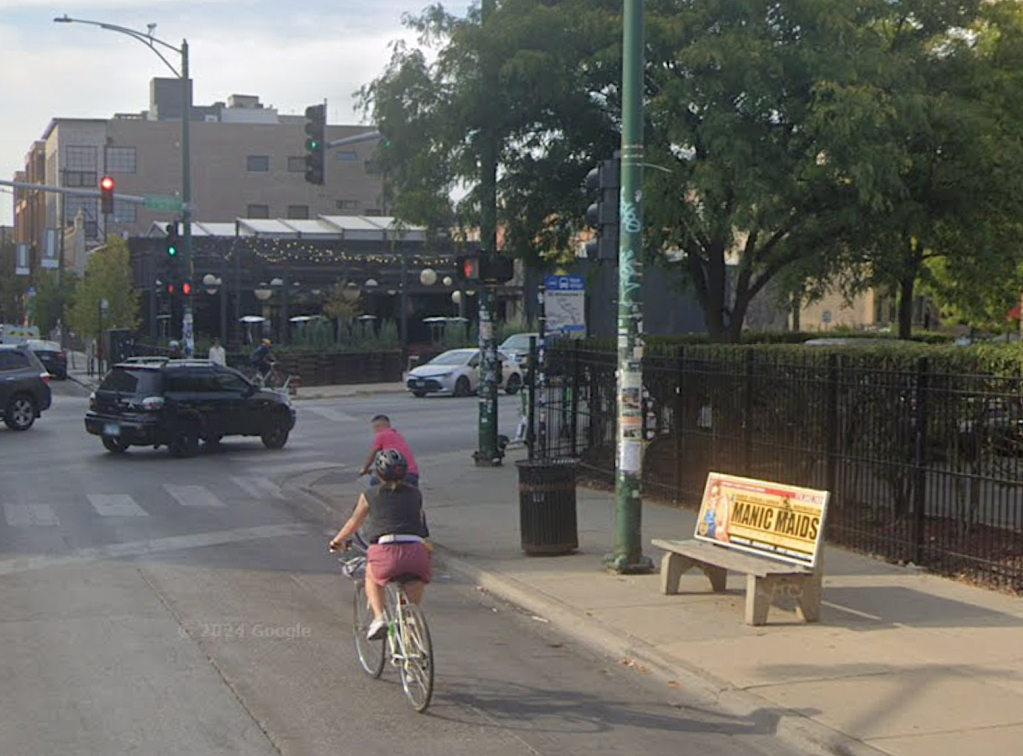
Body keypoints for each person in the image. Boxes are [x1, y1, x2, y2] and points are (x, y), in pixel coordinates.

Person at [329, 449, 431, 640]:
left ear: (379, 473)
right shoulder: (416, 494)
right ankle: (413, 646)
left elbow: (354, 522)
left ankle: (379, 619)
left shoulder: (370, 494)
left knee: (371, 575)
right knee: (411, 600)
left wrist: (337, 541)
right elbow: (420, 521)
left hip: (386, 551)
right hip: (417, 552)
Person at [360, 415, 419, 487]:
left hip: (399, 476)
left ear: (383, 426)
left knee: (374, 482)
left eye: (377, 427)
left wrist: (364, 469)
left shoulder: (381, 435)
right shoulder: (397, 435)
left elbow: (372, 455)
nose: (376, 431)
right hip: (413, 475)